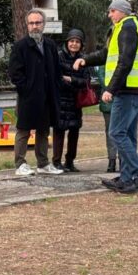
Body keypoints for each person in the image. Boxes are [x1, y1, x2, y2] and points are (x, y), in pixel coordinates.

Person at [74, 0, 138, 194]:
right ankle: (127, 179)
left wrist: (111, 88)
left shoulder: (127, 28)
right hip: (134, 90)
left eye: (112, 11)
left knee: (116, 133)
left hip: (126, 91)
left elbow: (125, 62)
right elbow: (106, 54)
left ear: (121, 11)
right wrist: (85, 60)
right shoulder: (125, 28)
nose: (109, 15)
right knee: (127, 135)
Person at [8, 9, 64, 176]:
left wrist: (56, 87)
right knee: (23, 129)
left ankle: (43, 163)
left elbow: (56, 69)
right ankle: (20, 164)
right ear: (27, 25)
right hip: (28, 96)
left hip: (47, 95)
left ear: (43, 24)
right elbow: (15, 73)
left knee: (44, 129)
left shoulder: (50, 45)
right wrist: (26, 89)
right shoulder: (20, 46)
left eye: (38, 23)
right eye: (31, 23)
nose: (34, 26)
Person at [53, 29, 90, 172]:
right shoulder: (59, 57)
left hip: (76, 101)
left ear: (81, 44)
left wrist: (71, 79)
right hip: (61, 100)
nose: (74, 44)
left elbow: (85, 81)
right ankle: (56, 161)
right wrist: (73, 82)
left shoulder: (83, 59)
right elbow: (57, 78)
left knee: (74, 132)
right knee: (59, 131)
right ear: (67, 42)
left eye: (77, 42)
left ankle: (70, 161)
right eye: (71, 41)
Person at [95, 63, 119, 172]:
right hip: (109, 101)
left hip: (121, 100)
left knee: (123, 132)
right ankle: (112, 160)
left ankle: (123, 160)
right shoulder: (105, 60)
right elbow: (102, 78)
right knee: (110, 132)